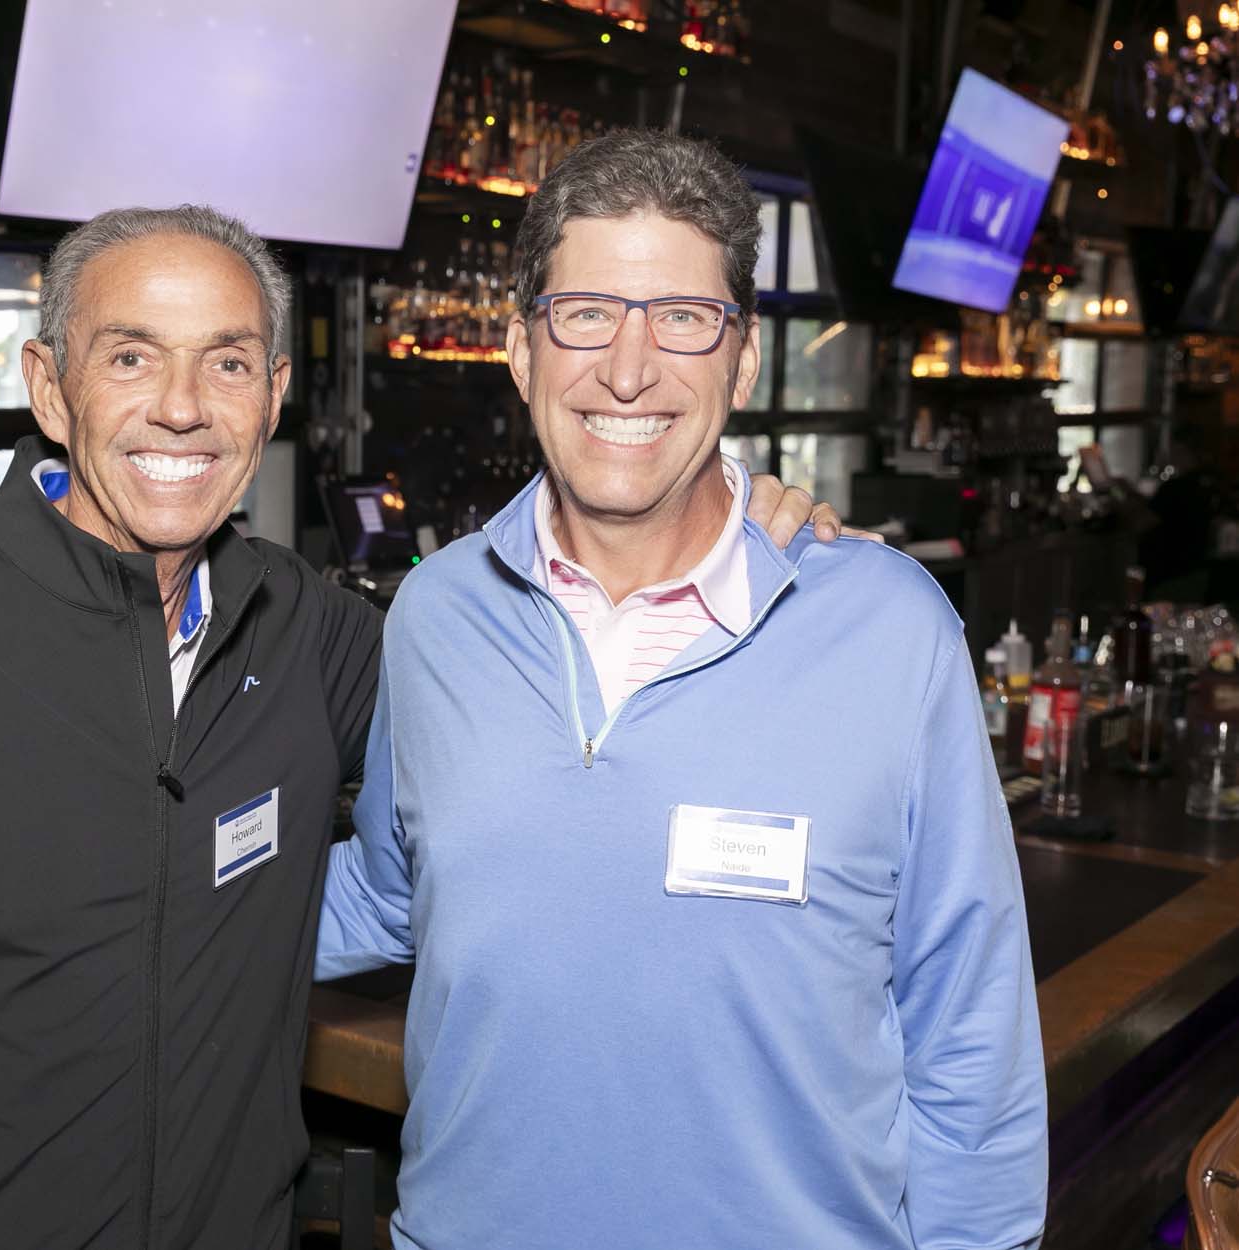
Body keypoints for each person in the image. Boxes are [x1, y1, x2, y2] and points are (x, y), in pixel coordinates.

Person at [0, 204, 846, 1250]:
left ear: (274, 397)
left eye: (230, 363)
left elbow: (537, 725)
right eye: (131, 357)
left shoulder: (306, 630)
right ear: (50, 387)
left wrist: (713, 517)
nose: (183, 407)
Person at [316, 130, 1047, 1250]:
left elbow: (970, 1023)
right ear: (520, 348)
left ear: (741, 361)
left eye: (683, 318)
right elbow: (388, 887)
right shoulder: (436, 612)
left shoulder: (890, 628)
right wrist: (115, 900)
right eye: (585, 313)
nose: (628, 368)